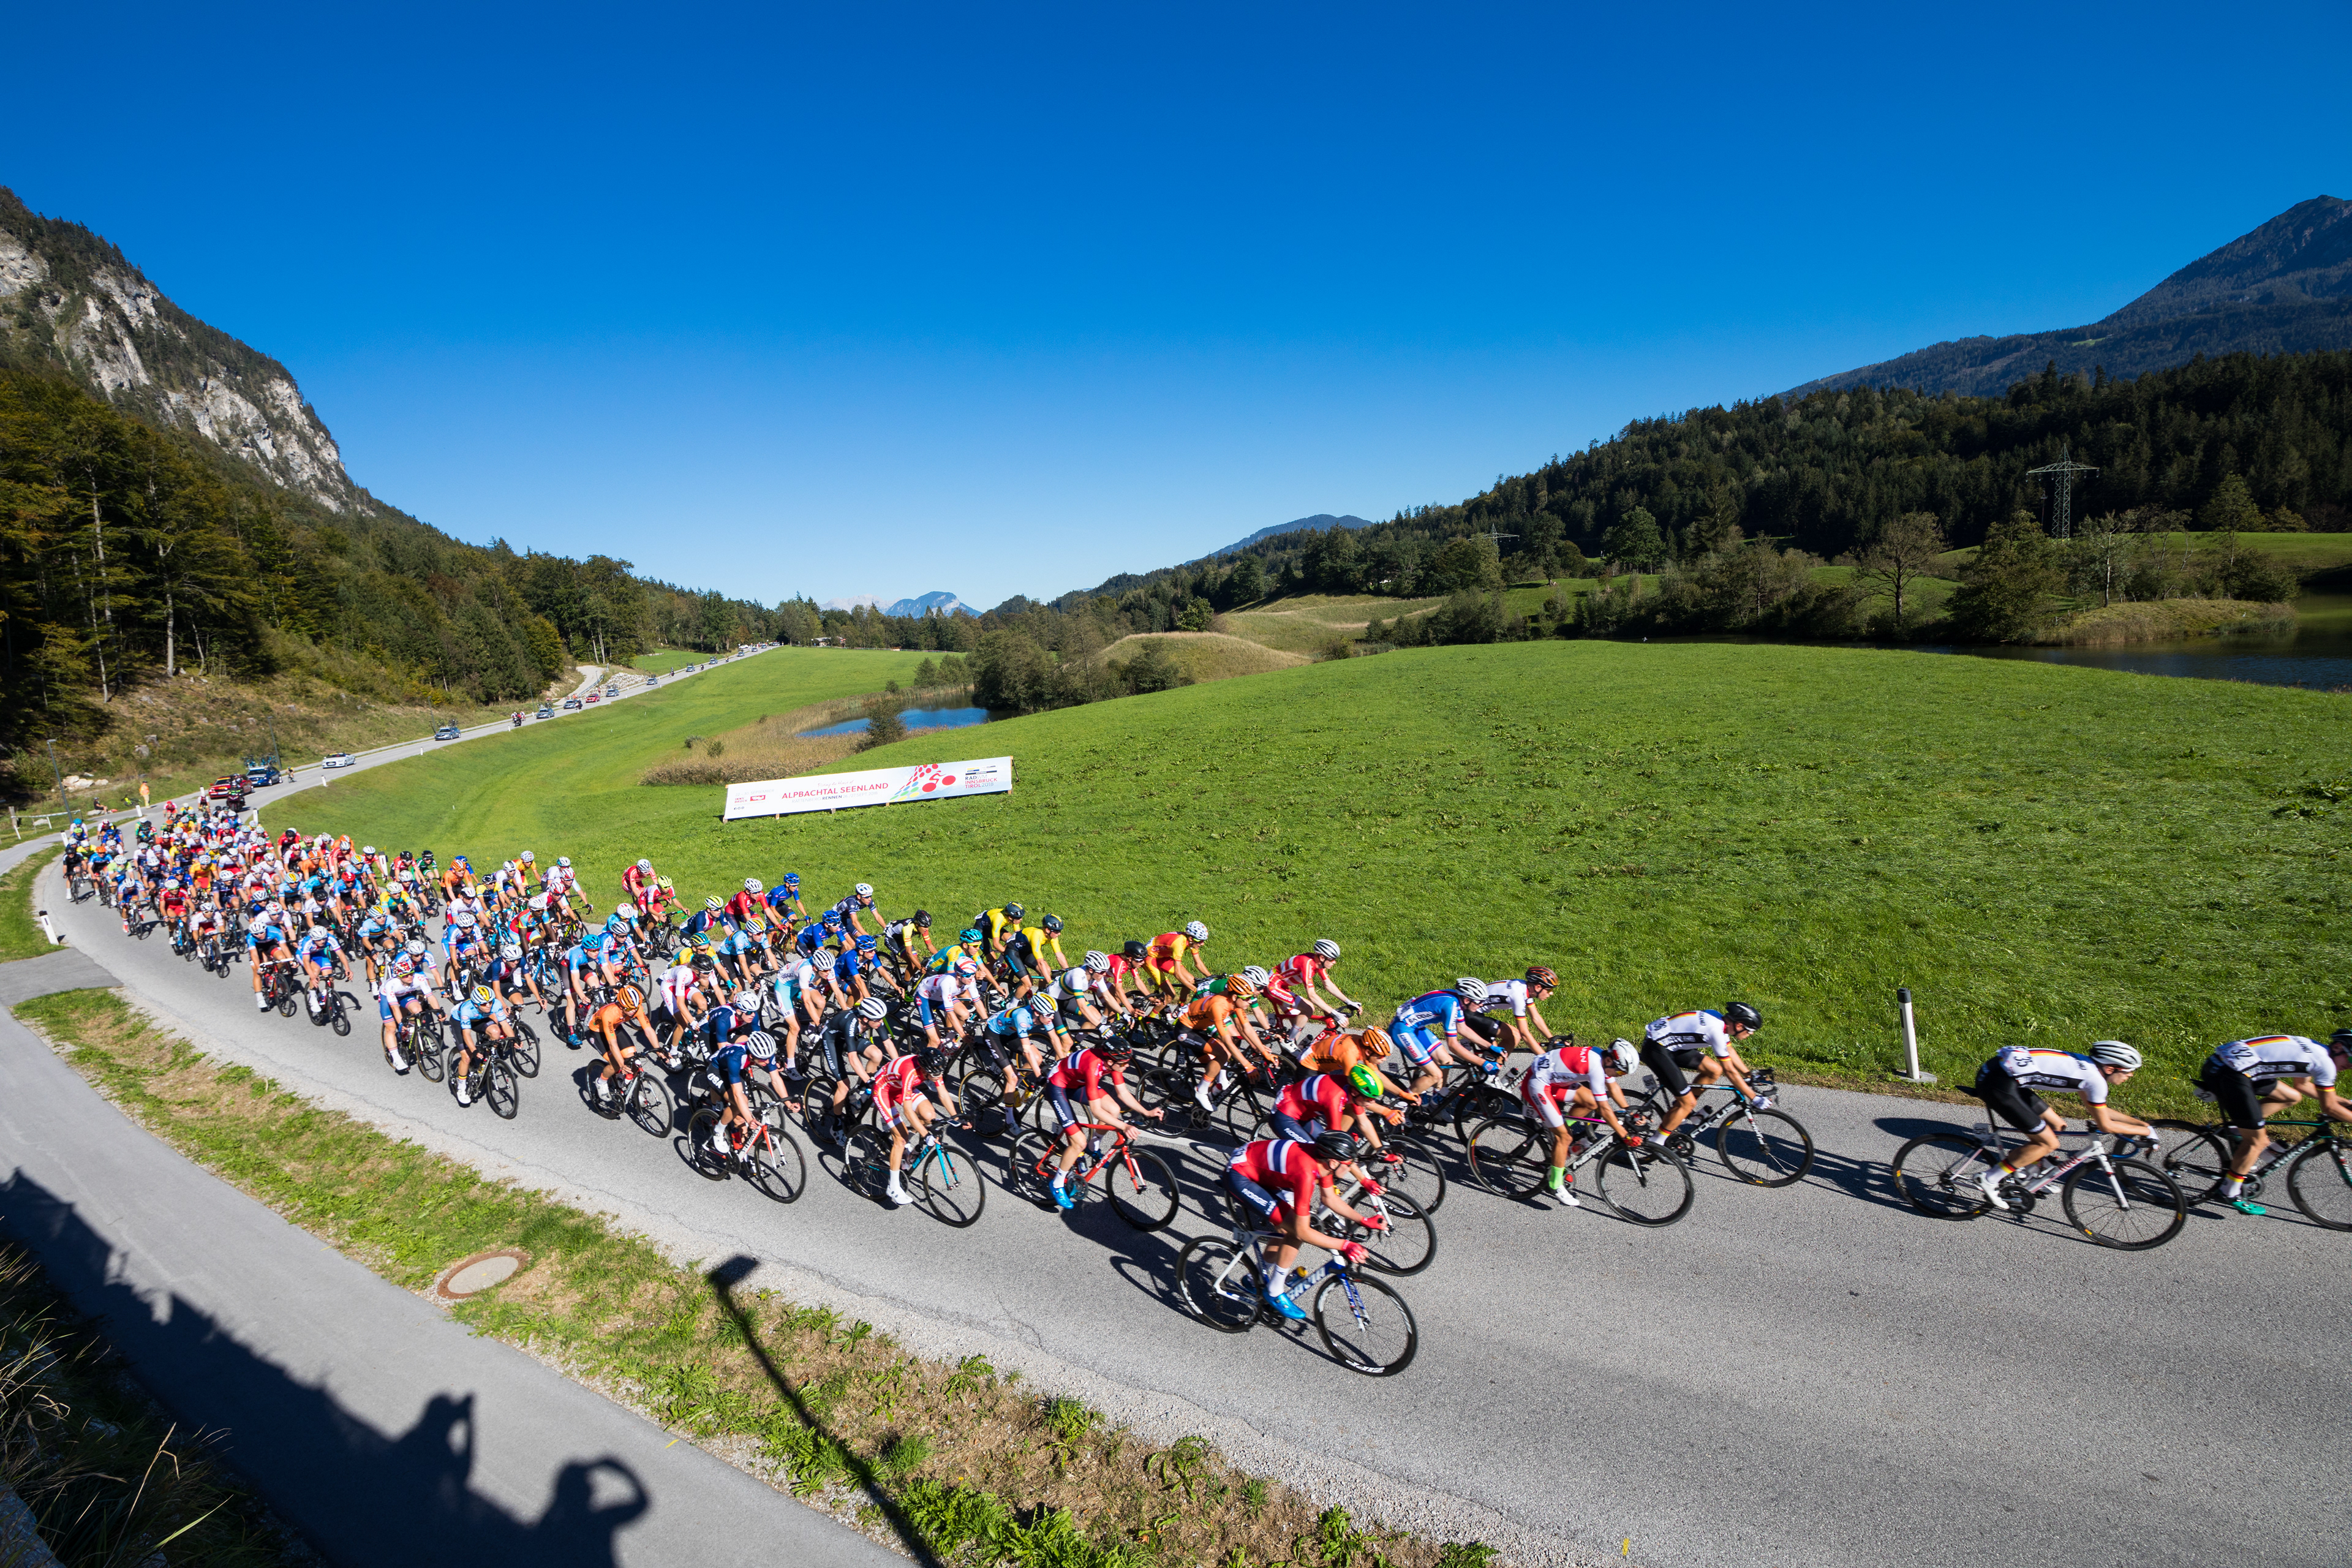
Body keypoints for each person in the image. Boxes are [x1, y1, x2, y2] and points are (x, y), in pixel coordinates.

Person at [1970, 1040, 2154, 1208]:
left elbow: (2099, 1110)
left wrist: (2142, 1125)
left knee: (2058, 1126)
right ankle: (1989, 1179)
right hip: (1998, 1084)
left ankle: (2026, 1172)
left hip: (2002, 1074)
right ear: (2110, 1068)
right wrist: (2146, 1132)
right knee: (2047, 1143)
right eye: (2128, 1070)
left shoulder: (2090, 1068)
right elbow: (2106, 1125)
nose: (2131, 1075)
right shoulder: (2095, 1081)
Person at [1223, 1132, 1381, 1321]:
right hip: (1240, 1174)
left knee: (1287, 1228)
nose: (1350, 1168)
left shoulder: (1323, 1162)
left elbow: (1329, 1198)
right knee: (1295, 1231)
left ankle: (1253, 1278)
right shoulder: (1307, 1173)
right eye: (1348, 1164)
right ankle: (1274, 1291)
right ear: (1333, 1162)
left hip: (1259, 1166)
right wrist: (1345, 1245)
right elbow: (1302, 1231)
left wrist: (1364, 1220)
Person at [2196, 1031, 2352, 1215]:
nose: (2350, 1066)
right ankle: (2228, 1192)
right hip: (2231, 1073)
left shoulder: (2316, 1049)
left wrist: (2346, 1103)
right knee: (2257, 1142)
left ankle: (2237, 1129)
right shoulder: (2326, 1064)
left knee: (2292, 1097)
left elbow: (2303, 1086)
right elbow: (2330, 1108)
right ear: (2338, 1047)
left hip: (2226, 1064)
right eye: (2351, 1059)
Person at [1045, 1035, 1161, 1210]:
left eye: (1128, 1062)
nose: (1127, 1066)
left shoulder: (1114, 1062)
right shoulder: (1094, 1064)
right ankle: (1057, 1183)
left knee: (1114, 1109)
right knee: (1079, 1142)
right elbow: (1096, 1111)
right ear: (1110, 1061)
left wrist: (1146, 1112)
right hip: (1058, 1085)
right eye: (1124, 1063)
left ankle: (1093, 1146)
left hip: (1077, 1083)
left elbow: (1122, 1093)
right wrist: (1124, 1126)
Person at [1520, 1037, 1640, 1207]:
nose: (1620, 1076)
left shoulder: (1601, 1056)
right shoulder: (1596, 1068)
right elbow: (1605, 1110)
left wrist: (1629, 1112)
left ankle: (1557, 1130)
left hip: (1553, 1080)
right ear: (1609, 1061)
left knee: (1590, 1102)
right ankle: (1555, 1185)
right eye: (1620, 1073)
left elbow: (1614, 1088)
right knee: (1565, 1138)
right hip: (1538, 1084)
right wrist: (1625, 1135)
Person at [1641, 1004, 1765, 1142]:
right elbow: (1730, 1071)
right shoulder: (1715, 1031)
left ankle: (1681, 1111)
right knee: (1688, 1103)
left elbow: (1729, 1050)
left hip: (1669, 1044)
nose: (1751, 1034)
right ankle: (1657, 1142)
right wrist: (1754, 1097)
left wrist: (1749, 1074)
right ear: (1739, 1025)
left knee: (1714, 1070)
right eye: (1750, 1030)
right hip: (1656, 1049)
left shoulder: (1719, 1020)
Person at [872, 1042, 957, 1206]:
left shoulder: (933, 1069)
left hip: (900, 1087)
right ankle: (893, 1188)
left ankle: (904, 1148)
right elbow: (908, 1111)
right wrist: (925, 1135)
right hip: (884, 1089)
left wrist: (956, 1118)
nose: (938, 1076)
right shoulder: (911, 1071)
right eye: (935, 1074)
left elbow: (943, 1094)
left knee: (929, 1116)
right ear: (925, 1070)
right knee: (901, 1140)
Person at [1389, 979, 1490, 1095]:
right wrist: (1483, 1063)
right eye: (1479, 1001)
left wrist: (1491, 1047)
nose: (1482, 1005)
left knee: (1446, 1061)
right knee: (1435, 1075)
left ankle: (1437, 1098)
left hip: (1415, 1028)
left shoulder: (1456, 1000)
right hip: (1402, 1030)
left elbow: (1463, 1029)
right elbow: (1453, 1046)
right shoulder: (1450, 1005)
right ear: (1467, 1000)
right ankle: (1403, 1102)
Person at [1145, 921, 1210, 1000]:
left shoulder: (1192, 943)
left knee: (1191, 981)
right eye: (1200, 941)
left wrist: (1211, 978)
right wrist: (1196, 991)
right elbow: (1178, 974)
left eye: (1203, 941)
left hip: (1162, 957)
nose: (1202, 944)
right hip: (1149, 957)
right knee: (1170, 995)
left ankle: (1181, 1005)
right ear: (1191, 938)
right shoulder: (1179, 944)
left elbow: (1198, 963)